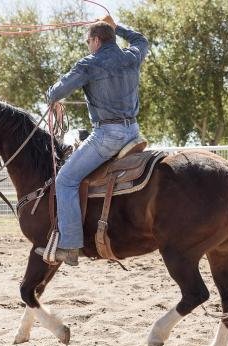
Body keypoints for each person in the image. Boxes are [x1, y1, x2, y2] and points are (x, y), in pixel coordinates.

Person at [35, 15, 149, 266]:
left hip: (108, 136)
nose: (88, 45)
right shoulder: (131, 57)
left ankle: (70, 246)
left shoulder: (90, 63)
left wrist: (55, 97)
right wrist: (116, 25)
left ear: (96, 40)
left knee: (65, 180)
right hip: (133, 133)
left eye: (88, 41)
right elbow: (141, 40)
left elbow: (55, 92)